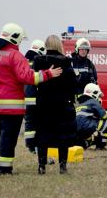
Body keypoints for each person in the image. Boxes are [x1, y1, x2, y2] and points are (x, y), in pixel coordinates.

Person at [0, 23, 62, 175]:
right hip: (12, 109)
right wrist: (48, 74)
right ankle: (4, 169)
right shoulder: (15, 56)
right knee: (7, 139)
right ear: (15, 38)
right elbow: (27, 76)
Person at [33, 35, 78, 174]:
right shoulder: (66, 63)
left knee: (42, 135)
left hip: (43, 104)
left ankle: (41, 166)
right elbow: (73, 86)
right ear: (59, 45)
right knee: (62, 136)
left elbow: (34, 82)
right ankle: (62, 166)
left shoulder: (38, 62)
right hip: (62, 105)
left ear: (46, 45)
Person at [23, 39, 46, 153]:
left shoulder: (24, 62)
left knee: (29, 121)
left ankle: (29, 144)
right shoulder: (39, 63)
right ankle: (33, 146)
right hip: (35, 98)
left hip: (24, 98)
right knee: (36, 122)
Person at [76, 83, 107, 150]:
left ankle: (87, 142)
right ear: (94, 93)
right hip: (86, 127)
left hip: (76, 129)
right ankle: (101, 144)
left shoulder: (81, 104)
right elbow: (104, 116)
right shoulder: (93, 101)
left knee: (91, 123)